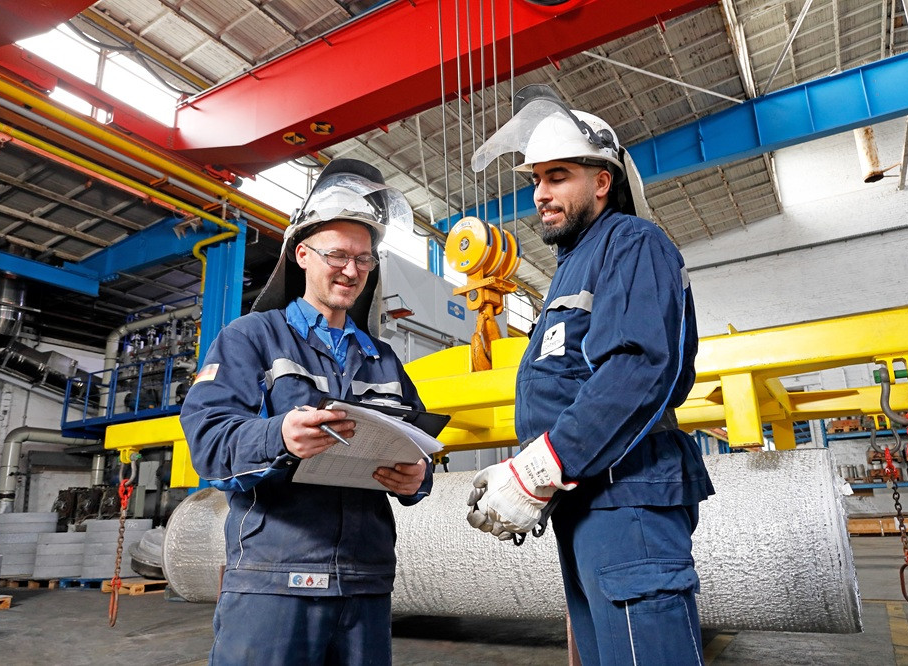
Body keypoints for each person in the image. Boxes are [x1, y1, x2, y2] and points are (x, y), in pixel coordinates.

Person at [466, 85, 715, 665]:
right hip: (584, 503)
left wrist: (540, 466)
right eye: (535, 180)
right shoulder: (571, 267)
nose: (540, 193)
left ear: (601, 182)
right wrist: (543, 474)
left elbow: (638, 367)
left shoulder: (632, 242)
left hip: (628, 503)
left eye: (558, 177)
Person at [180, 158, 433, 665]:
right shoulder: (251, 339)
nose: (352, 270)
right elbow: (208, 442)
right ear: (301, 254)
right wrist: (279, 437)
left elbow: (418, 442)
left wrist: (416, 478)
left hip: (365, 582)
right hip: (275, 580)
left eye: (364, 260)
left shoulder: (382, 359)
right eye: (338, 255)